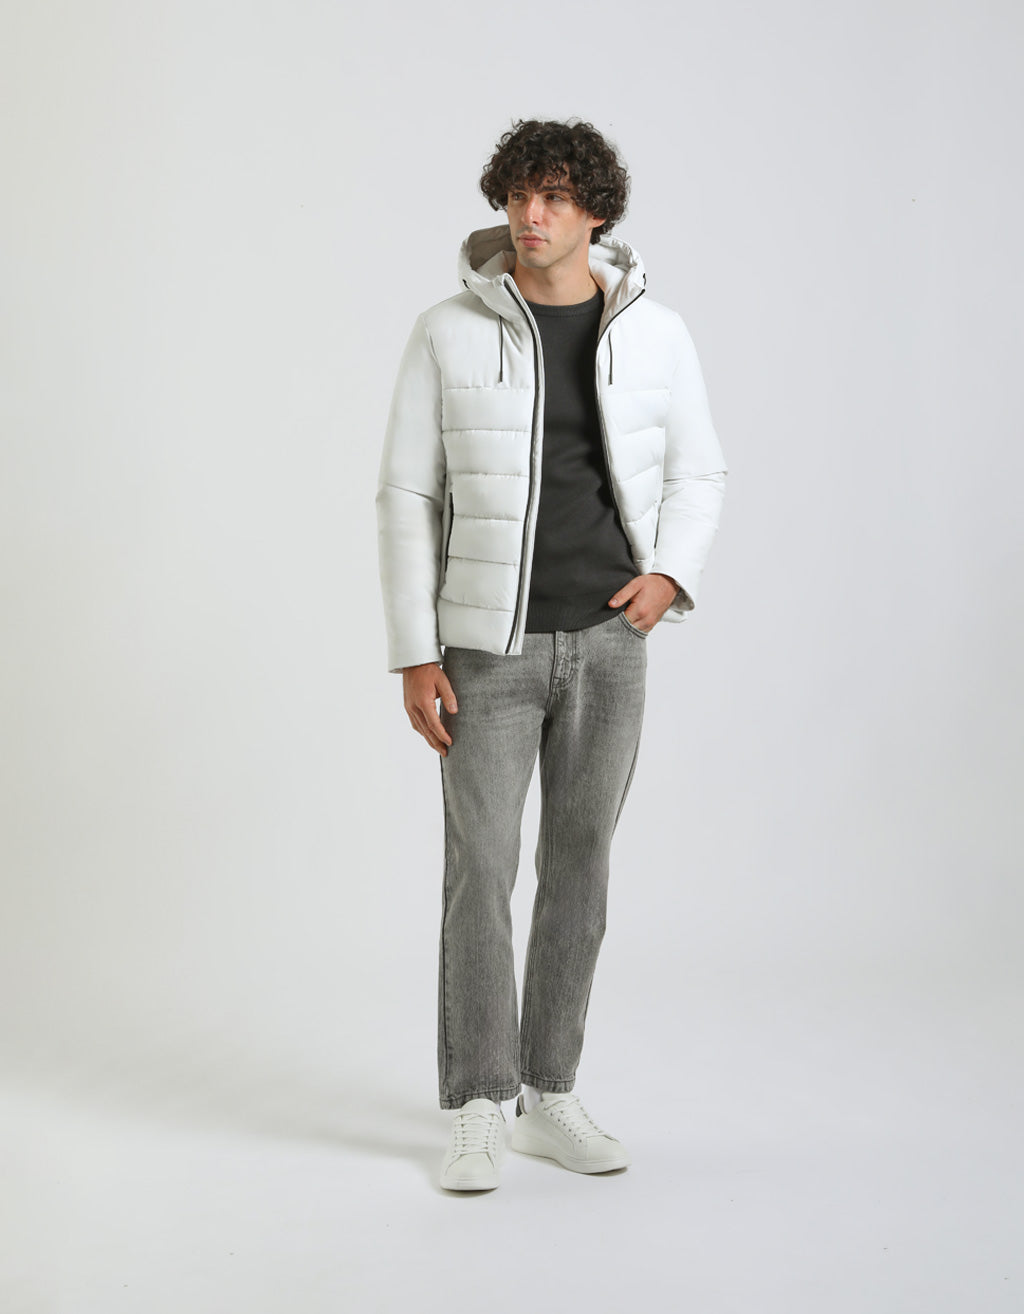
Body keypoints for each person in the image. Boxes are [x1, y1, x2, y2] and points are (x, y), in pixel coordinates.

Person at [376, 118, 726, 1191]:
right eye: (520, 195)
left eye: (556, 198)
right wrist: (414, 651)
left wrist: (668, 578)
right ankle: (476, 1104)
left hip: (611, 646)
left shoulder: (657, 333)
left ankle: (549, 1092)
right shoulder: (446, 331)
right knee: (480, 873)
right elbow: (406, 494)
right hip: (485, 650)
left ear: (596, 214)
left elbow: (699, 473)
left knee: (581, 873)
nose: (532, 216)